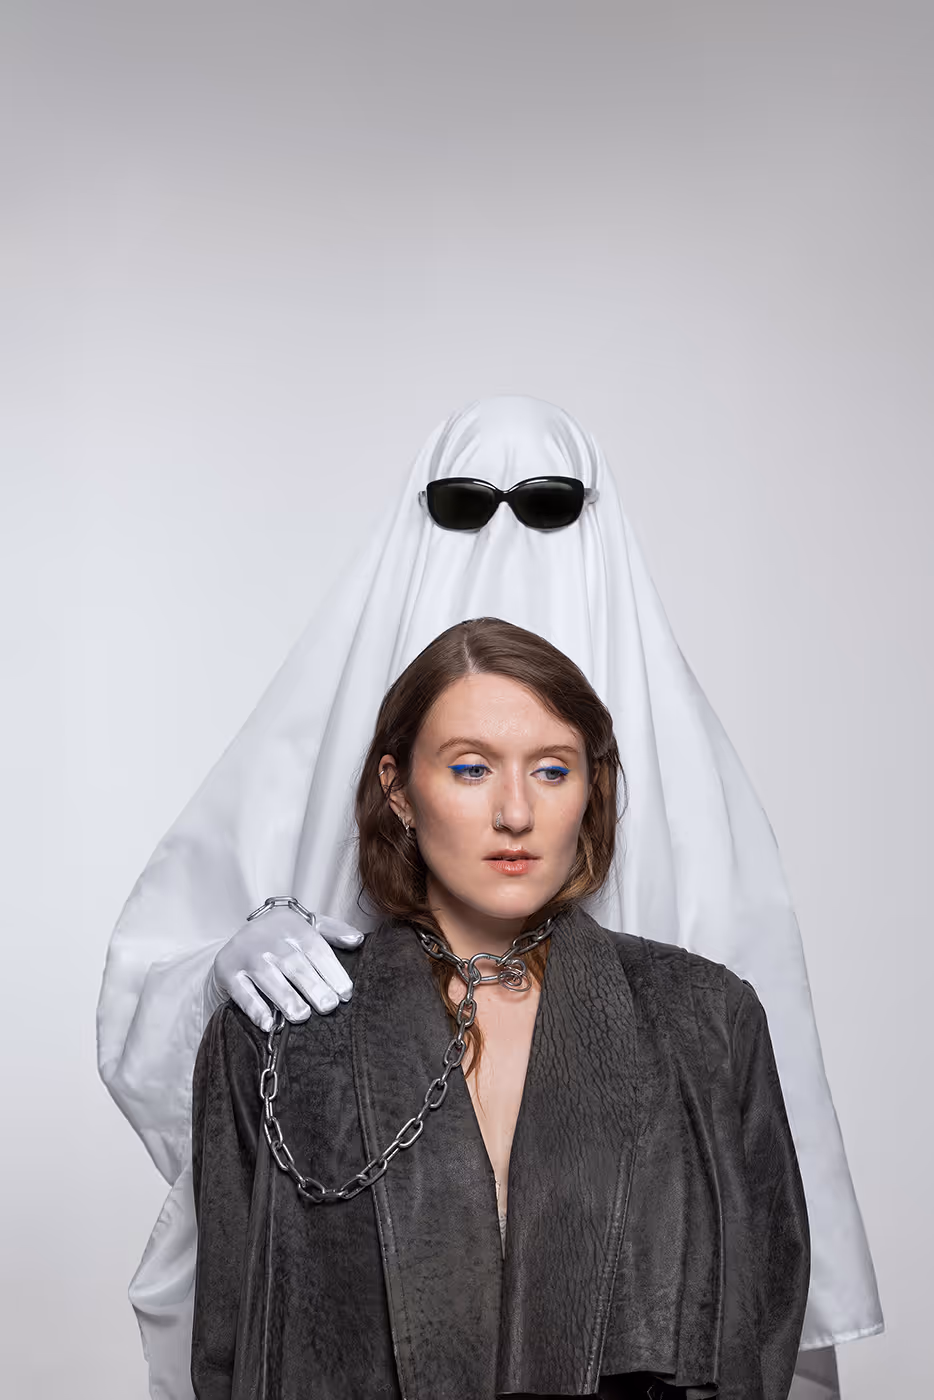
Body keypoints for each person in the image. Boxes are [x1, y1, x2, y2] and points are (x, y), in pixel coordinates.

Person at [97, 396, 881, 1400]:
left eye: (548, 506)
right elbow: (229, 1229)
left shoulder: (704, 976)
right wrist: (224, 967)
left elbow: (758, 1231)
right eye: (464, 506)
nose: (514, 809)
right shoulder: (335, 752)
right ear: (398, 784)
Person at [191, 617, 811, 1399]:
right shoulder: (278, 1035)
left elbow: (761, 1318)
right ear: (399, 791)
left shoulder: (707, 1019)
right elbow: (230, 1344)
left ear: (591, 790)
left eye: (552, 770)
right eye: (472, 768)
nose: (516, 813)